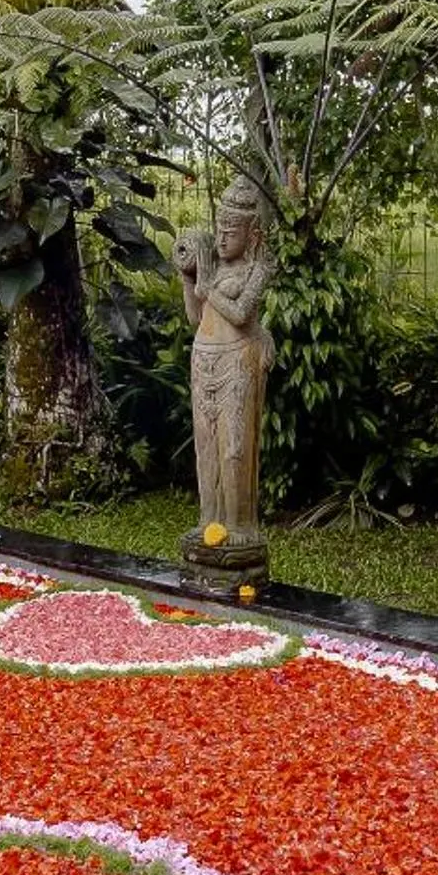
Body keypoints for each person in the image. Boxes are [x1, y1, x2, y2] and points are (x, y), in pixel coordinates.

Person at [176, 175, 273, 576]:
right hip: (204, 358)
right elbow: (195, 317)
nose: (220, 239)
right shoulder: (213, 269)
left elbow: (240, 314)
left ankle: (238, 525)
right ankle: (209, 519)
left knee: (234, 447)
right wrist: (188, 278)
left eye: (230, 232)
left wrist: (207, 286)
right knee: (206, 446)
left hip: (238, 359)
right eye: (218, 230)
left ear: (252, 236)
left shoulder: (259, 269)